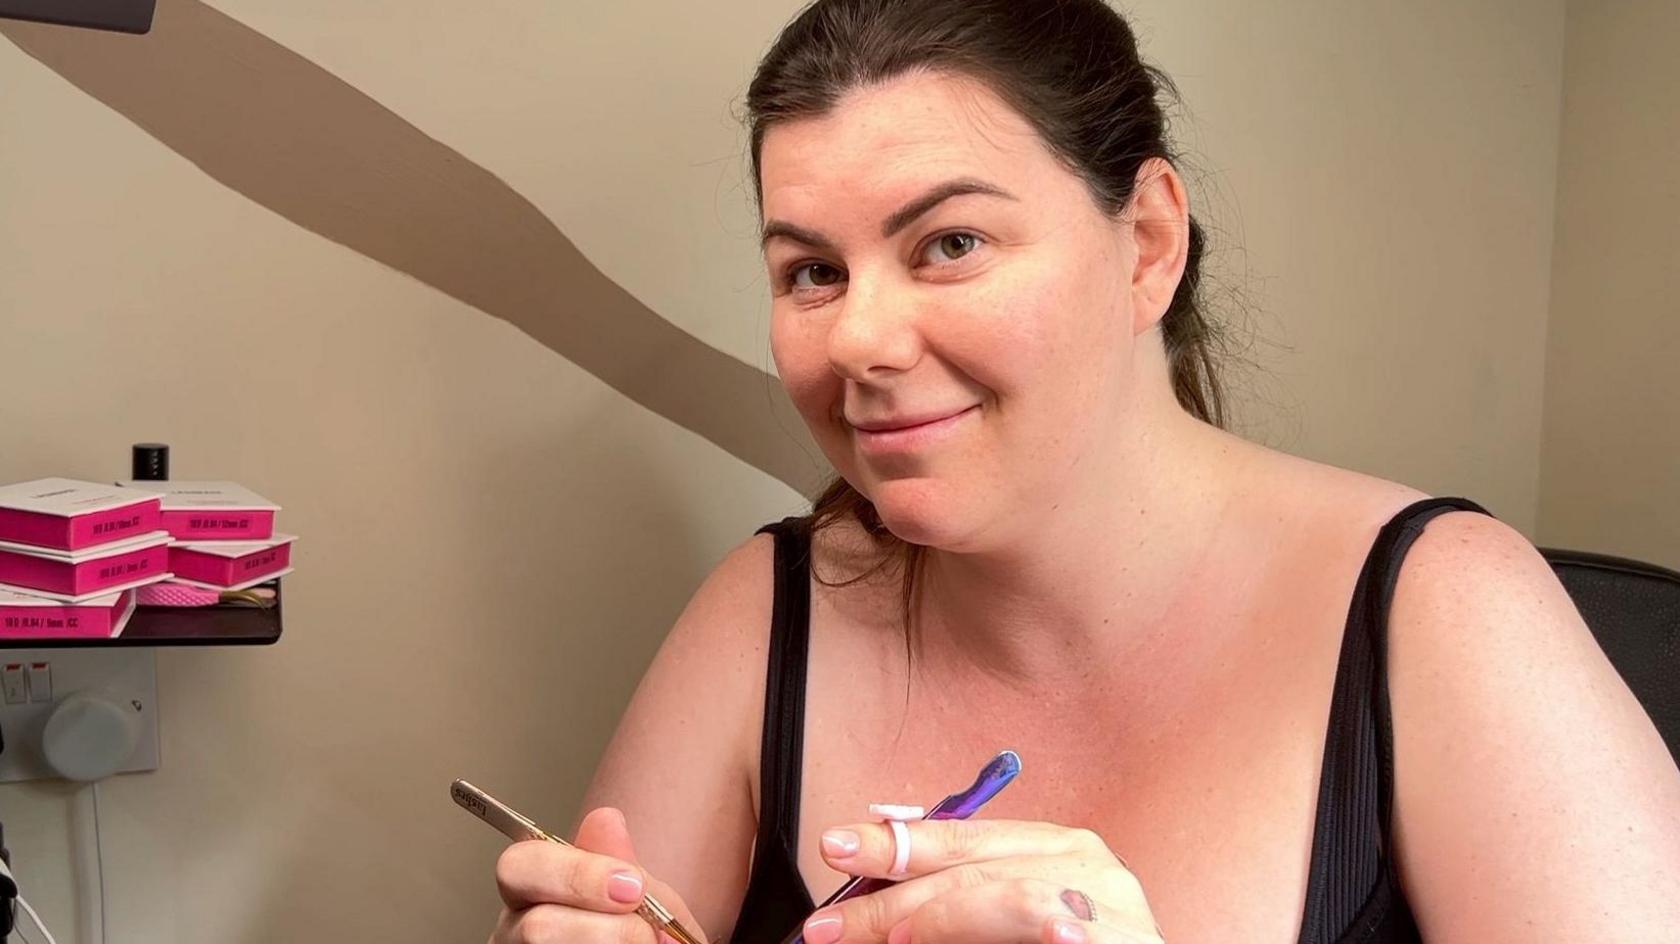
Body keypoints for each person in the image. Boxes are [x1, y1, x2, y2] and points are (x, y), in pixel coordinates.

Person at [486, 1, 1680, 941]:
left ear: (1149, 242)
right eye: (811, 272)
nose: (856, 339)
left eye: (949, 243)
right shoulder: (767, 611)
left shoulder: (1446, 609)